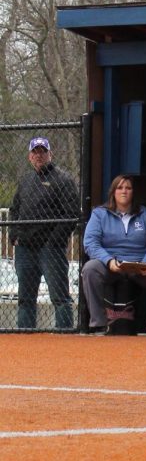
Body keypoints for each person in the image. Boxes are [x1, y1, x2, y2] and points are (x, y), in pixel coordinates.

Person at [81, 175, 146, 335]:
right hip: (111, 266)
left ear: (133, 192)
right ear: (113, 192)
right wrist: (108, 261)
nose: (124, 191)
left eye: (128, 188)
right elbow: (90, 243)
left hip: (141, 267)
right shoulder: (99, 214)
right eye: (120, 188)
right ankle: (99, 324)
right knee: (90, 268)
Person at [9, 137, 79, 329]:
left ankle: (64, 335)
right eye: (35, 152)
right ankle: (26, 335)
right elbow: (15, 209)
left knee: (60, 297)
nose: (39, 155)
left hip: (50, 249)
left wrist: (53, 241)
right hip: (25, 248)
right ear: (29, 156)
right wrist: (14, 234)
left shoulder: (63, 180)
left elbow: (72, 214)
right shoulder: (25, 181)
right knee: (25, 298)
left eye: (42, 151)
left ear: (50, 154)